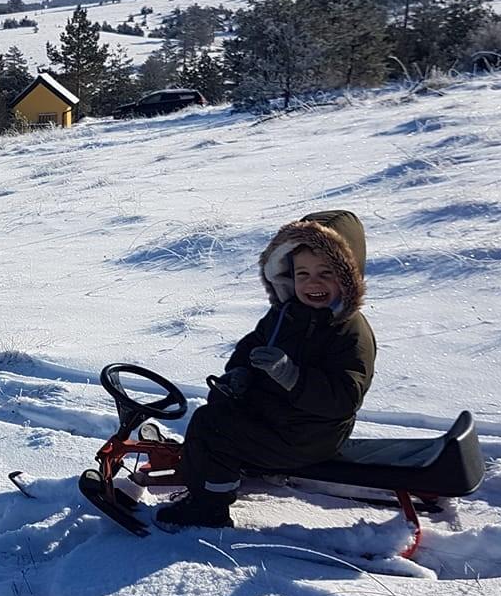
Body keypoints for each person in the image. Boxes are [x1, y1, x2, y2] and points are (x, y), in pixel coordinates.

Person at [154, 210, 377, 530]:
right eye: (303, 274)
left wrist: (293, 377)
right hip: (279, 418)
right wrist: (240, 373)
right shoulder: (287, 315)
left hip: (309, 435)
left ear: (347, 277)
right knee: (220, 404)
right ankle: (231, 465)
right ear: (288, 275)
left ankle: (209, 505)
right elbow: (251, 347)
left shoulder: (350, 332)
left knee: (212, 425)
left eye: (325, 273)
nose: (312, 283)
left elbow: (344, 396)